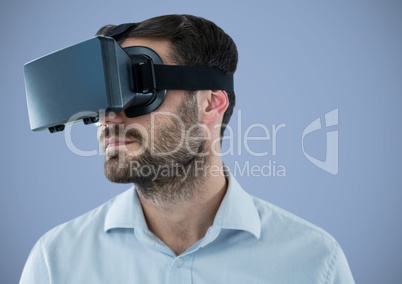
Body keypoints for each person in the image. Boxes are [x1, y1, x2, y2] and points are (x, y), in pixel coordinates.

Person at [20, 14, 355, 283]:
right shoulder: (56, 262)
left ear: (211, 104)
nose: (110, 117)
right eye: (105, 95)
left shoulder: (313, 263)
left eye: (137, 87)